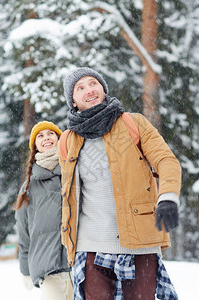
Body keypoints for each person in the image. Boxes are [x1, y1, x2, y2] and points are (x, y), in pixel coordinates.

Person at [59, 67, 181, 299]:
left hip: (139, 244)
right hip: (91, 246)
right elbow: (66, 195)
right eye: (80, 88)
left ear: (103, 89)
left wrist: (168, 196)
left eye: (93, 83)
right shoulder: (67, 140)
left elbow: (166, 160)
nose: (89, 90)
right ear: (73, 101)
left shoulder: (133, 123)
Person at [14, 121, 74, 300]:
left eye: (50, 134)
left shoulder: (74, 172)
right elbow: (23, 230)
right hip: (48, 268)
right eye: (40, 136)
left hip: (79, 263)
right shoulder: (29, 187)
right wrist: (25, 269)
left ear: (59, 139)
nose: (46, 138)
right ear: (35, 146)